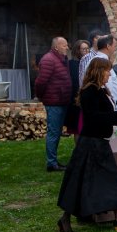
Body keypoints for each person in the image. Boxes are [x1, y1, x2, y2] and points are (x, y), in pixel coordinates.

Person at [55, 58, 117, 232]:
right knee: (80, 181)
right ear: (98, 71)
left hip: (99, 141)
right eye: (107, 71)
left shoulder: (100, 90)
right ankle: (66, 218)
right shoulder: (89, 92)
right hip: (91, 143)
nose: (109, 75)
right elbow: (93, 118)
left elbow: (104, 113)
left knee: (109, 179)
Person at [34, 36, 74, 172]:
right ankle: (51, 163)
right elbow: (40, 82)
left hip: (61, 101)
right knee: (54, 132)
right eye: (64, 45)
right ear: (56, 47)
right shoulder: (49, 60)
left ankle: (53, 161)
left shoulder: (61, 59)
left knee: (56, 132)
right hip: (54, 102)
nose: (67, 47)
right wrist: (41, 96)